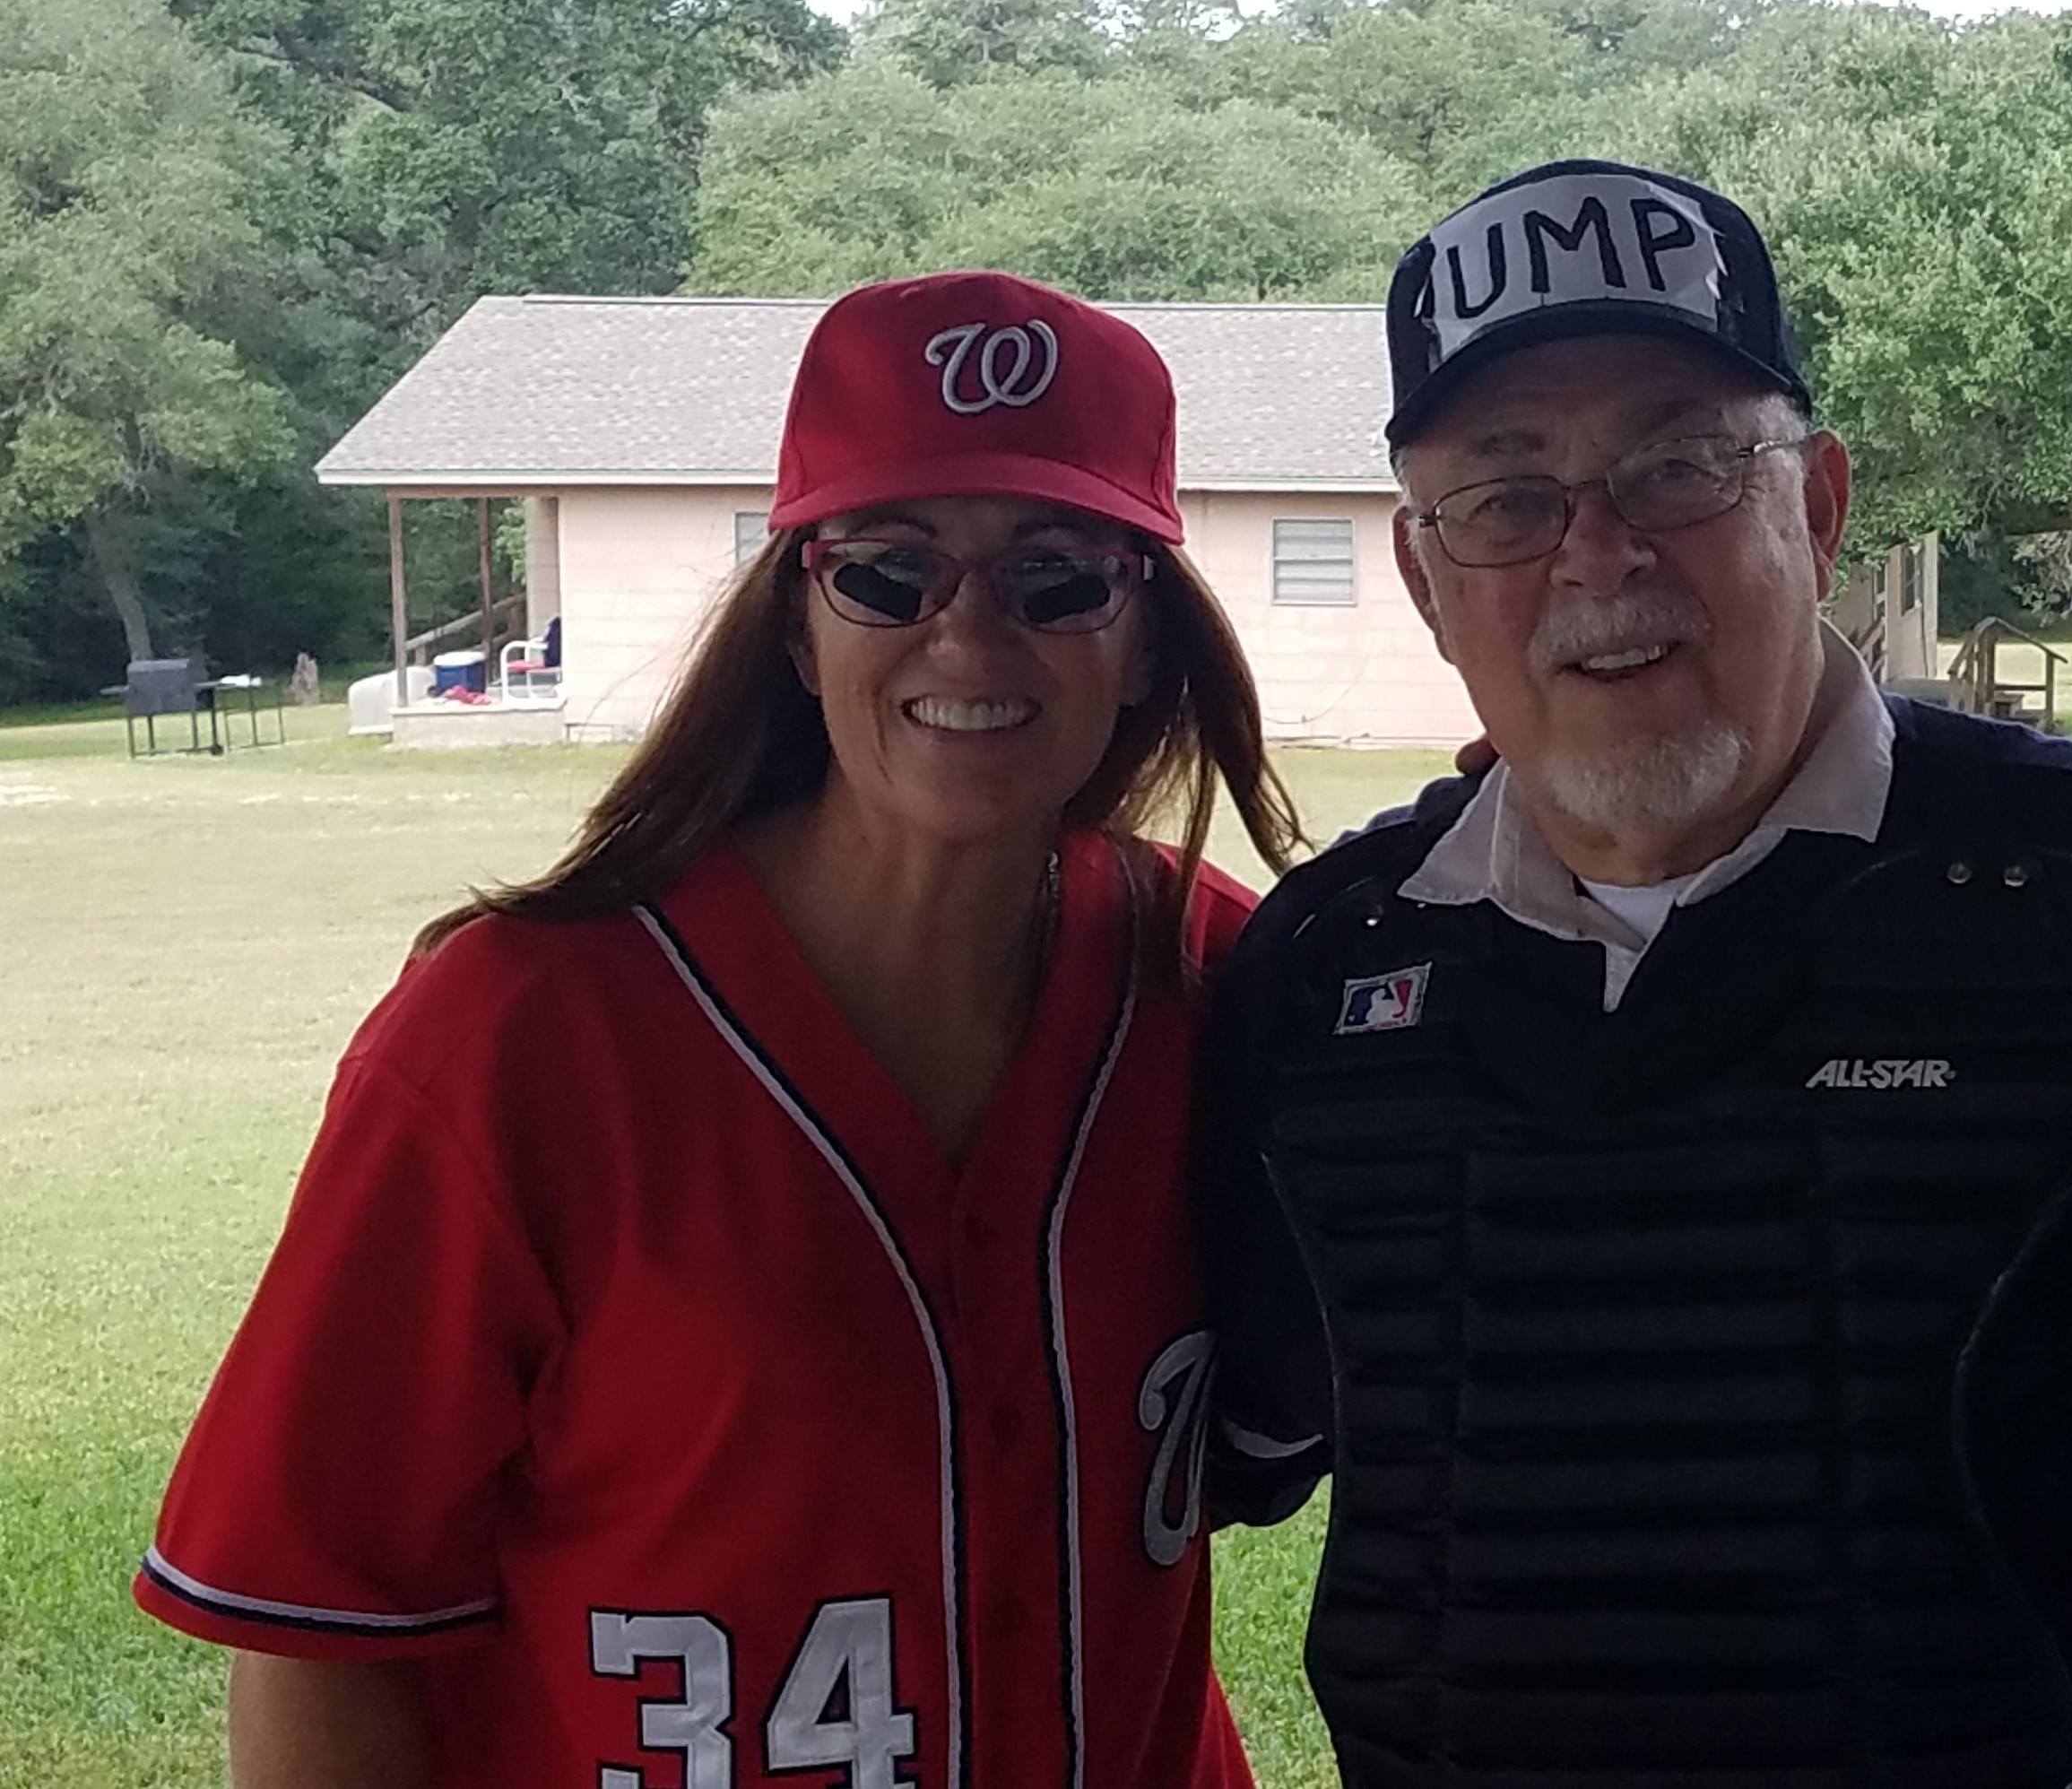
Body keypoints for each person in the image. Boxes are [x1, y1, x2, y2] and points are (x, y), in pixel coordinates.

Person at [135, 270, 1304, 1789]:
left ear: (1145, 640)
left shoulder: (1228, 983)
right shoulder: (517, 1037)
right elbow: (318, 1637)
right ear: (801, 627)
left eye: (1059, 577)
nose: (967, 636)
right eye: (888, 572)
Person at [1205, 160, 2072, 1788]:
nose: (1599, 555)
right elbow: (1215, 1436)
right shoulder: (1318, 973)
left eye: (1681, 467)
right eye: (1506, 501)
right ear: (1428, 580)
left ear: (1821, 507)